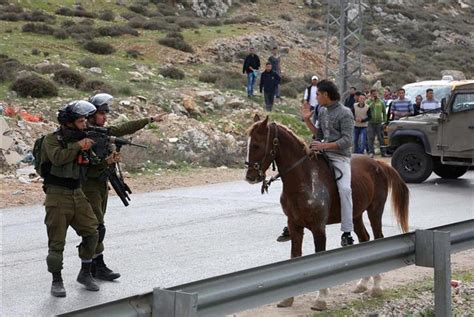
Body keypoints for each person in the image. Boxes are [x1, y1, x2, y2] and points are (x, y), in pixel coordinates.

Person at [85, 93, 166, 281]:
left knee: (98, 226)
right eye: (101, 113)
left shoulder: (102, 132)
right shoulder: (85, 136)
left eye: (106, 113)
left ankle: (94, 265)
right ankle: (94, 266)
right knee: (95, 227)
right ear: (91, 115)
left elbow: (123, 128)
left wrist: (149, 119)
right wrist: (106, 161)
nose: (105, 116)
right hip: (88, 186)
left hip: (100, 185)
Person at [41, 101, 100, 297]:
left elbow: (91, 167)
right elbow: (57, 158)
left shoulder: (83, 138)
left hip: (78, 193)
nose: (85, 124)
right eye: (81, 120)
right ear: (69, 122)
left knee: (92, 233)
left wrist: (105, 159)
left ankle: (85, 272)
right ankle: (56, 281)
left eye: (85, 120)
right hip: (57, 195)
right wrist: (77, 146)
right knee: (57, 242)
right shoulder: (51, 140)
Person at [301, 80, 355, 246]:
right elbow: (319, 134)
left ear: (325, 95)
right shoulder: (322, 110)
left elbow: (347, 140)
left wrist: (325, 145)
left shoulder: (345, 113)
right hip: (322, 153)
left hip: (340, 157)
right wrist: (307, 121)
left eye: (317, 94)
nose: (315, 97)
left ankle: (347, 232)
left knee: (345, 190)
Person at [367, 89, 387, 158]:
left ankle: (383, 152)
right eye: (373, 93)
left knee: (381, 138)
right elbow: (368, 109)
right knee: (371, 138)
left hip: (379, 123)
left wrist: (384, 121)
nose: (375, 94)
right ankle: (371, 152)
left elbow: (384, 112)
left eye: (376, 93)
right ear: (371, 94)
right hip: (370, 123)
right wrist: (372, 101)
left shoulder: (381, 102)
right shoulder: (368, 101)